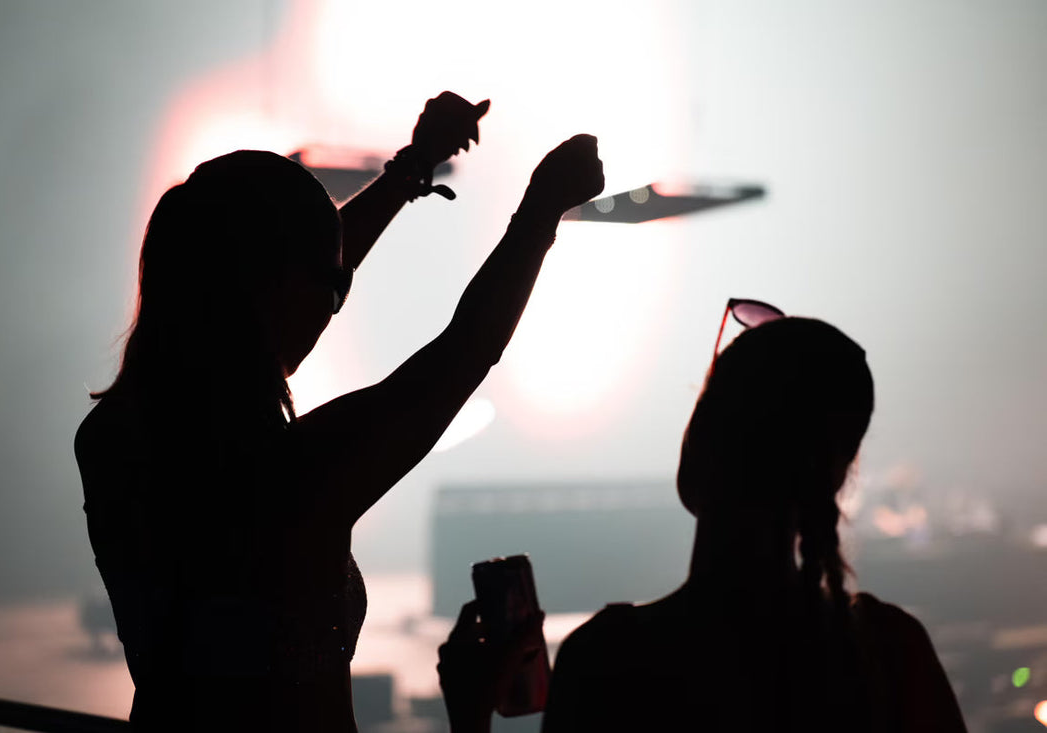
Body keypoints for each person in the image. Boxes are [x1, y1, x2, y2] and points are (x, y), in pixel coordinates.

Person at [74, 89, 605, 732]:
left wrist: (410, 170)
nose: (335, 304)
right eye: (331, 287)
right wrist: (539, 213)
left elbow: (299, 273)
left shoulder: (117, 437)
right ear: (266, 293)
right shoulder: (288, 478)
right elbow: (464, 354)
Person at [439, 309, 967, 733]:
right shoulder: (895, 652)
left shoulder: (607, 660)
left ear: (697, 446)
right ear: (834, 478)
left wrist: (470, 719)